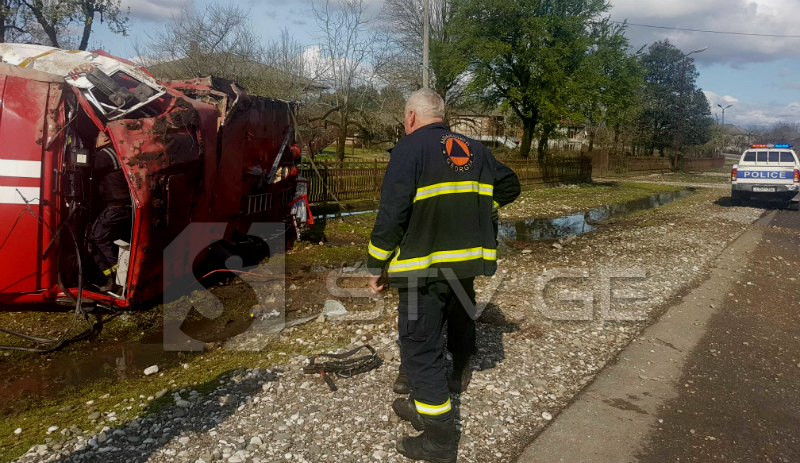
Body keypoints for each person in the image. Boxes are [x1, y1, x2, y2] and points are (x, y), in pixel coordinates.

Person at [367, 89, 520, 463]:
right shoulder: (476, 149)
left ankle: (439, 441)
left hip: (423, 268)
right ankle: (428, 401)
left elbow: (392, 215)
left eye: (405, 120)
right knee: (454, 322)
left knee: (420, 348)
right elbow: (510, 185)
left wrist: (377, 265)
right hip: (464, 263)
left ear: (411, 117)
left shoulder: (409, 148)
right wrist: (477, 208)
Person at [90, 132, 132, 293]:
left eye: (97, 136)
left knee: (96, 237)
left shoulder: (106, 154)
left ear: (106, 138)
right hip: (118, 206)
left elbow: (88, 165)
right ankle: (111, 276)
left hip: (117, 206)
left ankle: (116, 279)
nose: (94, 139)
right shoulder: (117, 152)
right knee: (94, 239)